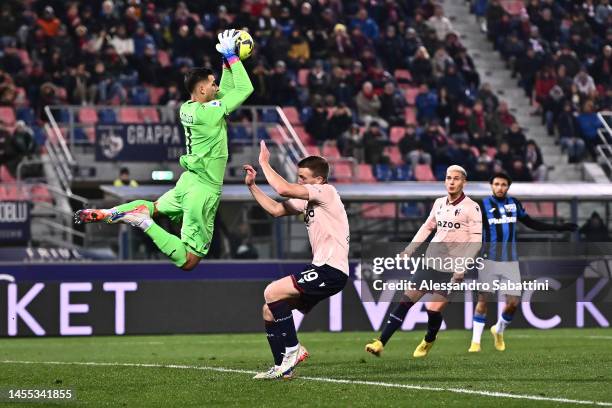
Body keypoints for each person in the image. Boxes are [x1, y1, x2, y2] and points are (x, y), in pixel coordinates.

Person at [74, 29, 254, 271]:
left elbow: (228, 90)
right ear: (202, 90)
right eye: (212, 84)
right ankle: (144, 224)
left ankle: (109, 213)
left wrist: (225, 62)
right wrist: (233, 56)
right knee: (189, 261)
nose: (216, 87)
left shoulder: (188, 108)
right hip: (204, 189)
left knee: (155, 207)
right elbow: (243, 90)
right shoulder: (210, 112)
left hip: (188, 182)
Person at [245, 141, 349, 379]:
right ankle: (283, 369)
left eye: (303, 178)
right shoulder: (308, 200)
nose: (299, 182)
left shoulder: (327, 192)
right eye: (298, 177)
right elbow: (275, 209)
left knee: (271, 291)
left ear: (319, 180)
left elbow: (282, 189)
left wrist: (264, 163)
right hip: (321, 268)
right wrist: (252, 187)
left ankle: (294, 349)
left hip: (331, 269)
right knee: (269, 311)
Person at [365, 165, 482, 358]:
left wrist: (462, 266)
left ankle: (429, 338)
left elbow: (476, 240)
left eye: (456, 179)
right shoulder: (438, 203)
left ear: (464, 182)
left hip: (452, 268)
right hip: (430, 262)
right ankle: (380, 342)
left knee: (432, 310)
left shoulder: (472, 207)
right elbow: (427, 227)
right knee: (405, 301)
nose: (451, 182)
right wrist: (409, 250)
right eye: (448, 178)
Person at [469, 173, 577, 352]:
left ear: (508, 187)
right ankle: (475, 342)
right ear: (491, 186)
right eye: (496, 184)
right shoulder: (482, 205)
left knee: (513, 304)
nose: (500, 187)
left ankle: (498, 330)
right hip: (488, 260)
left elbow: (531, 223)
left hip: (510, 261)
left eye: (503, 184)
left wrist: (559, 227)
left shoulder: (514, 204)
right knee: (483, 300)